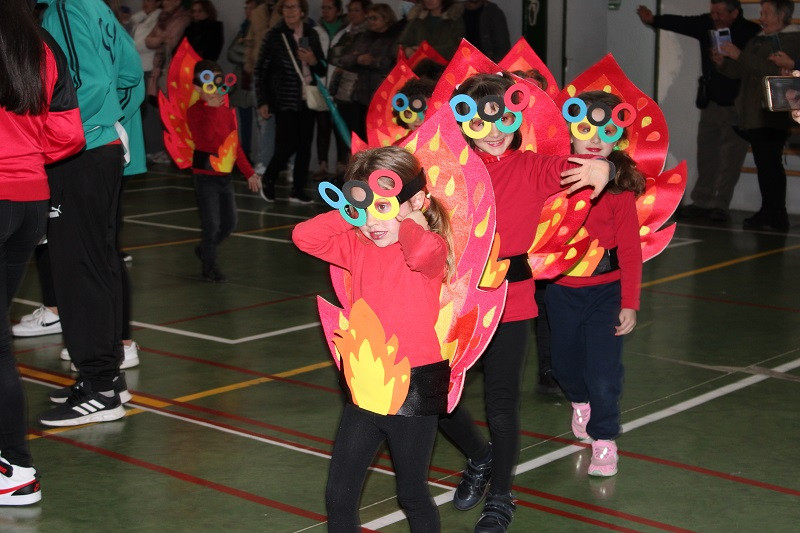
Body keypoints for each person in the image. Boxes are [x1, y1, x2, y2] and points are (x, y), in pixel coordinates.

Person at [439, 73, 613, 533]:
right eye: (479, 120)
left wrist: (605, 170)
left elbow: (585, 166)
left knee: (501, 404)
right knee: (437, 397)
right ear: (463, 122)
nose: (493, 130)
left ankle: (501, 495)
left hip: (512, 303)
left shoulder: (535, 166)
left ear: (516, 117)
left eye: (502, 119)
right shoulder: (451, 170)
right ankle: (479, 457)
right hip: (455, 302)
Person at [293, 146, 454, 532]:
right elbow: (304, 237)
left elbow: (420, 252)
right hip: (366, 382)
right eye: (364, 208)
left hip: (415, 387)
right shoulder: (357, 245)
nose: (373, 222)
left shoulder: (430, 246)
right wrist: (354, 209)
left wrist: (410, 219)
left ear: (416, 199)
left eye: (385, 206)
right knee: (339, 493)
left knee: (412, 493)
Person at [37, 0, 144, 427]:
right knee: (100, 262)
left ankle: (100, 388)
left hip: (78, 151)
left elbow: (91, 81)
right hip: (100, 149)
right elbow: (131, 72)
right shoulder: (93, 5)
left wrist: (66, 136)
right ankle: (107, 380)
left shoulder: (61, 8)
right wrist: (109, 124)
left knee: (77, 268)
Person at [0, 0, 84, 504]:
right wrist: (24, 153)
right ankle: (14, 467)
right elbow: (68, 134)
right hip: (28, 201)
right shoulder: (41, 44)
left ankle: (13, 468)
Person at [546, 90, 645, 478]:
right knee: (566, 367)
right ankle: (578, 402)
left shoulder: (619, 190)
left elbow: (632, 250)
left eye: (605, 130)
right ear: (569, 131)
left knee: (604, 374)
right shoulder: (553, 176)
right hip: (561, 291)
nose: (595, 137)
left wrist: (630, 301)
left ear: (617, 136)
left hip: (607, 292)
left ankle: (604, 440)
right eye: (585, 127)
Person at [637, 1, 760, 223]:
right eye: (713, 12)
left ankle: (719, 204)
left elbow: (756, 67)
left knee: (730, 158)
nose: (714, 17)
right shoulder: (707, 23)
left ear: (735, 13)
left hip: (738, 105)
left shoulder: (750, 32)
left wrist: (736, 56)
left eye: (720, 13)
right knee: (707, 154)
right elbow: (683, 23)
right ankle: (701, 201)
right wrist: (654, 20)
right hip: (711, 101)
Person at [712, 0, 800, 232]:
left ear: (782, 15)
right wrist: (723, 63)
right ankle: (767, 211)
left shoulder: (791, 39)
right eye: (762, 12)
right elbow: (741, 70)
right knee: (764, 163)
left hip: (773, 113)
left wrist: (740, 55)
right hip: (753, 112)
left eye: (766, 13)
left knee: (770, 164)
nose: (761, 17)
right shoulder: (759, 38)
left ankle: (777, 214)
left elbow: (776, 71)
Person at [187, 60, 262, 281]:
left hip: (224, 177)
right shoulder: (195, 112)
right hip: (205, 177)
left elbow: (234, 144)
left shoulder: (227, 112)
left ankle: (204, 250)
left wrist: (249, 172)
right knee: (212, 225)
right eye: (207, 82)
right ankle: (209, 269)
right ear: (198, 87)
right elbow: (206, 139)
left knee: (229, 223)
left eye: (217, 82)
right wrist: (210, 110)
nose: (213, 89)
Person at [255, 0, 326, 203]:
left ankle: (298, 189)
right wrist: (263, 101)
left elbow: (321, 68)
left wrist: (313, 61)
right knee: (287, 143)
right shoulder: (274, 36)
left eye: (294, 7)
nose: (290, 11)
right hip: (284, 99)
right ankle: (268, 178)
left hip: (307, 98)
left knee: (304, 144)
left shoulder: (311, 35)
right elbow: (261, 71)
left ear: (302, 11)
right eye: (286, 7)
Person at [330, 3, 403, 142]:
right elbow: (344, 58)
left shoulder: (395, 38)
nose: (370, 21)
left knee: (380, 135)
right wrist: (358, 58)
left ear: (386, 18)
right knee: (360, 134)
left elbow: (393, 61)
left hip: (383, 93)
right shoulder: (364, 36)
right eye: (368, 18)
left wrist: (372, 61)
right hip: (360, 93)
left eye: (374, 18)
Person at [327, 0, 371, 148]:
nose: (352, 14)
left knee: (359, 131)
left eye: (356, 10)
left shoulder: (369, 33)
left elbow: (366, 59)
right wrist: (353, 57)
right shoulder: (345, 32)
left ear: (365, 12)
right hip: (344, 88)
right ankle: (344, 165)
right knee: (343, 130)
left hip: (361, 88)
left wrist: (351, 58)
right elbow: (332, 56)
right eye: (350, 10)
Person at [313, 0, 347, 179]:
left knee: (340, 128)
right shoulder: (315, 30)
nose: (325, 11)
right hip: (320, 84)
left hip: (340, 86)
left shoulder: (347, 31)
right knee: (323, 126)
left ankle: (342, 166)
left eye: (329, 8)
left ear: (339, 10)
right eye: (323, 8)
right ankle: (322, 165)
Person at [131, 0, 168, 164]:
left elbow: (143, 43)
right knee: (142, 112)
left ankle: (157, 149)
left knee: (150, 113)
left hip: (149, 69)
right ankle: (147, 148)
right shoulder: (140, 18)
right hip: (138, 69)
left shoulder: (159, 17)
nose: (145, 3)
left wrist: (134, 44)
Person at [228, 0, 258, 162]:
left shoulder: (263, 31)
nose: (248, 11)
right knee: (242, 122)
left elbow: (260, 56)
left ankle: (260, 157)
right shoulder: (243, 30)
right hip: (242, 82)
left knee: (261, 124)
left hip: (256, 83)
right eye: (246, 8)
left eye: (251, 9)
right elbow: (231, 53)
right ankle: (243, 154)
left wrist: (249, 54)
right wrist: (249, 54)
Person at [145, 0, 191, 98]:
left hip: (170, 66)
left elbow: (170, 43)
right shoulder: (163, 17)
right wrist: (162, 39)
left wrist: (157, 39)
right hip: (158, 66)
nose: (164, 2)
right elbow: (147, 41)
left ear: (177, 2)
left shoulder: (183, 19)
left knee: (164, 101)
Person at [398, 0, 465, 60]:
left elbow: (456, 47)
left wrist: (426, 51)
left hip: (446, 70)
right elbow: (400, 43)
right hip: (419, 69)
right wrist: (407, 50)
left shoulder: (454, 19)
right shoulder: (417, 18)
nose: (429, 0)